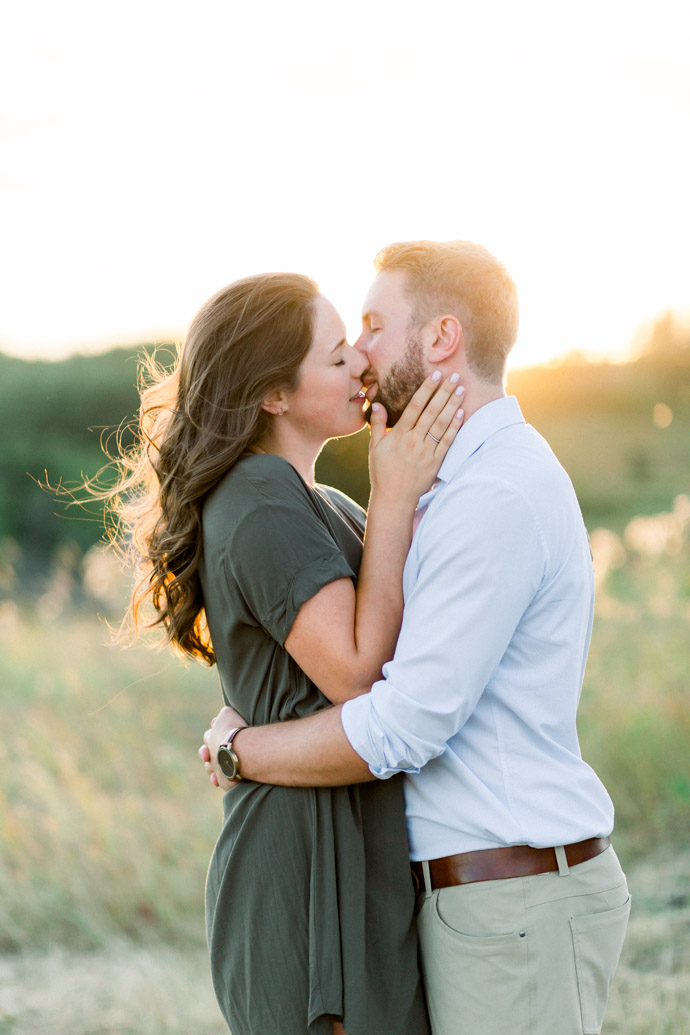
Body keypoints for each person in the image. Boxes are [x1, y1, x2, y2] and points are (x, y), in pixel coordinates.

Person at [202, 242, 631, 1035]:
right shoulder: (449, 486)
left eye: (370, 325)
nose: (360, 354)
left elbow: (402, 717)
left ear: (440, 340)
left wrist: (242, 750)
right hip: (480, 900)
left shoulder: (491, 494)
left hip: (514, 899)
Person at [110, 270, 465, 1035]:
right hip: (305, 867)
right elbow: (361, 674)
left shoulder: (320, 501)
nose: (361, 367)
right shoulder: (260, 494)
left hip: (351, 849)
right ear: (273, 393)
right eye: (336, 356)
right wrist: (397, 490)